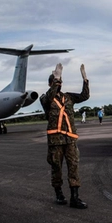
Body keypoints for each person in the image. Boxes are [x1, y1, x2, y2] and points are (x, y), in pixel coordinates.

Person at [40, 63, 89, 209]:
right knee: (57, 168)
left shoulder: (68, 97)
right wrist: (57, 77)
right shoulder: (46, 99)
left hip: (70, 140)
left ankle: (75, 197)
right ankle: (59, 194)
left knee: (73, 167)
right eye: (56, 82)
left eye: (60, 81)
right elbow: (51, 95)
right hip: (55, 141)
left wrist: (85, 79)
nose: (59, 84)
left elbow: (84, 96)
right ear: (51, 84)